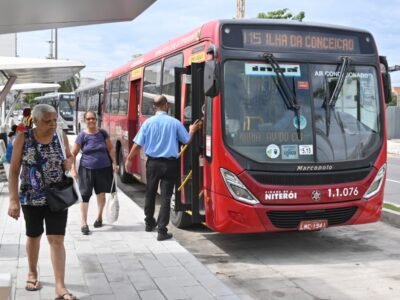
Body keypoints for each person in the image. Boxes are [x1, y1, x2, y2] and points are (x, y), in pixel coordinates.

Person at [7, 104, 77, 300]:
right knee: (34, 235)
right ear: (36, 121)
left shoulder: (60, 136)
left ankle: (60, 286)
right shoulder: (24, 137)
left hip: (58, 197)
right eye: (48, 121)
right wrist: (13, 200)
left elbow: (70, 157)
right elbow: (13, 170)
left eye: (55, 120)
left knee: (57, 239)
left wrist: (69, 163)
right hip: (31, 197)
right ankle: (32, 273)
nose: (53, 124)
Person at [125, 95, 202, 241]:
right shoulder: (175, 123)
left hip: (153, 164)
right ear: (166, 105)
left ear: (154, 107)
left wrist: (129, 158)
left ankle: (149, 223)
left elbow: (137, 144)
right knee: (166, 197)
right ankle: (162, 230)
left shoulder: (148, 123)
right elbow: (186, 140)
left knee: (150, 193)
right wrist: (191, 130)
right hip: (170, 164)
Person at [70, 111, 118, 235]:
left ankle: (99, 217)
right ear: (85, 120)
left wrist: (114, 163)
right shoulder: (82, 136)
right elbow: (73, 154)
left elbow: (111, 149)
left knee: (101, 194)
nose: (91, 121)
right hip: (87, 169)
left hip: (104, 168)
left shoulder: (102, 133)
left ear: (96, 120)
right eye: (89, 119)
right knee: (85, 195)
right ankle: (84, 223)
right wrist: (73, 169)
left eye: (93, 119)